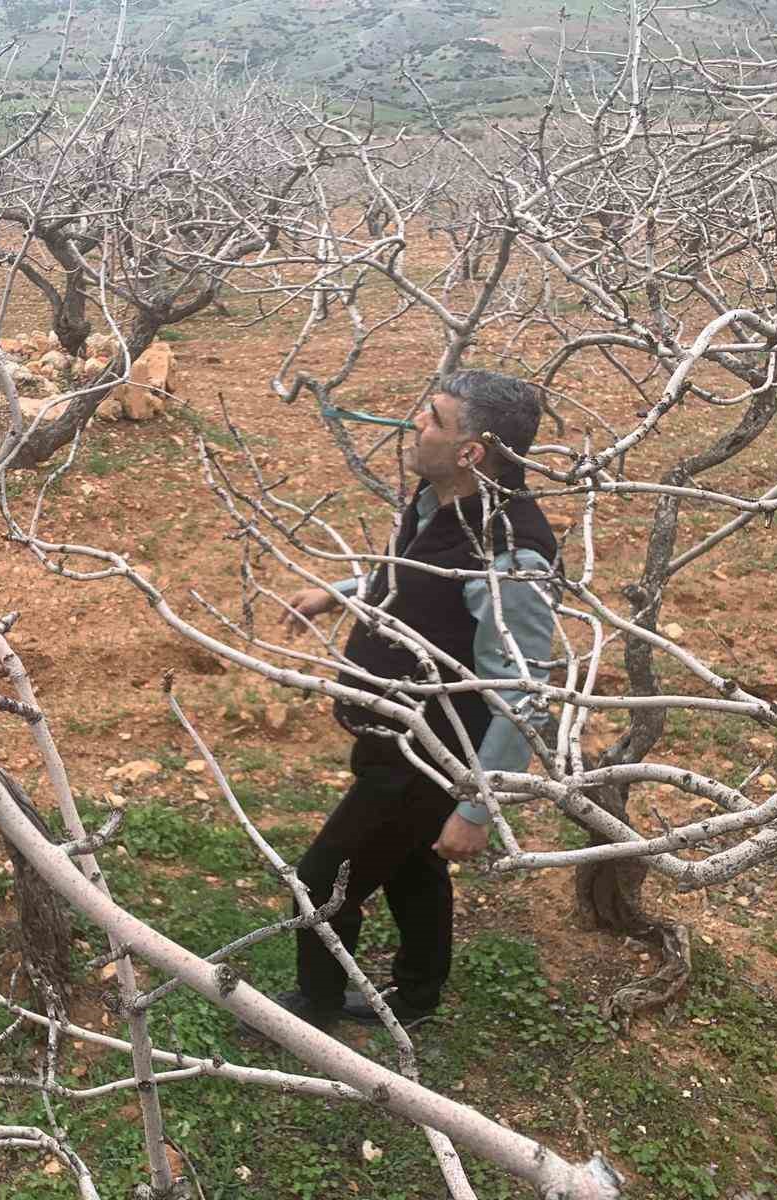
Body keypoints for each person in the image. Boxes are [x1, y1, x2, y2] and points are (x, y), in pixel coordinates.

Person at [277, 369, 558, 1030]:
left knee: (323, 880)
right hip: (395, 742)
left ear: (472, 452)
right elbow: (411, 572)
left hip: (427, 758)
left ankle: (314, 1010)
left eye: (433, 419)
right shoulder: (439, 503)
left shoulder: (511, 557)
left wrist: (476, 807)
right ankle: (418, 996)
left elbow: (522, 692)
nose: (416, 427)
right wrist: (342, 590)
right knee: (411, 868)